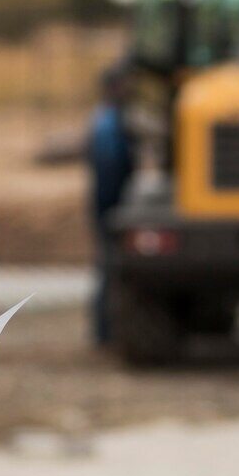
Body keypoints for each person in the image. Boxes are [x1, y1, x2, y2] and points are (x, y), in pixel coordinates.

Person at [87, 64, 136, 345]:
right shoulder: (108, 124)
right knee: (107, 268)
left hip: (107, 205)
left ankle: (104, 330)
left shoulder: (107, 119)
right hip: (109, 206)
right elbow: (110, 169)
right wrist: (113, 208)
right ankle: (103, 331)